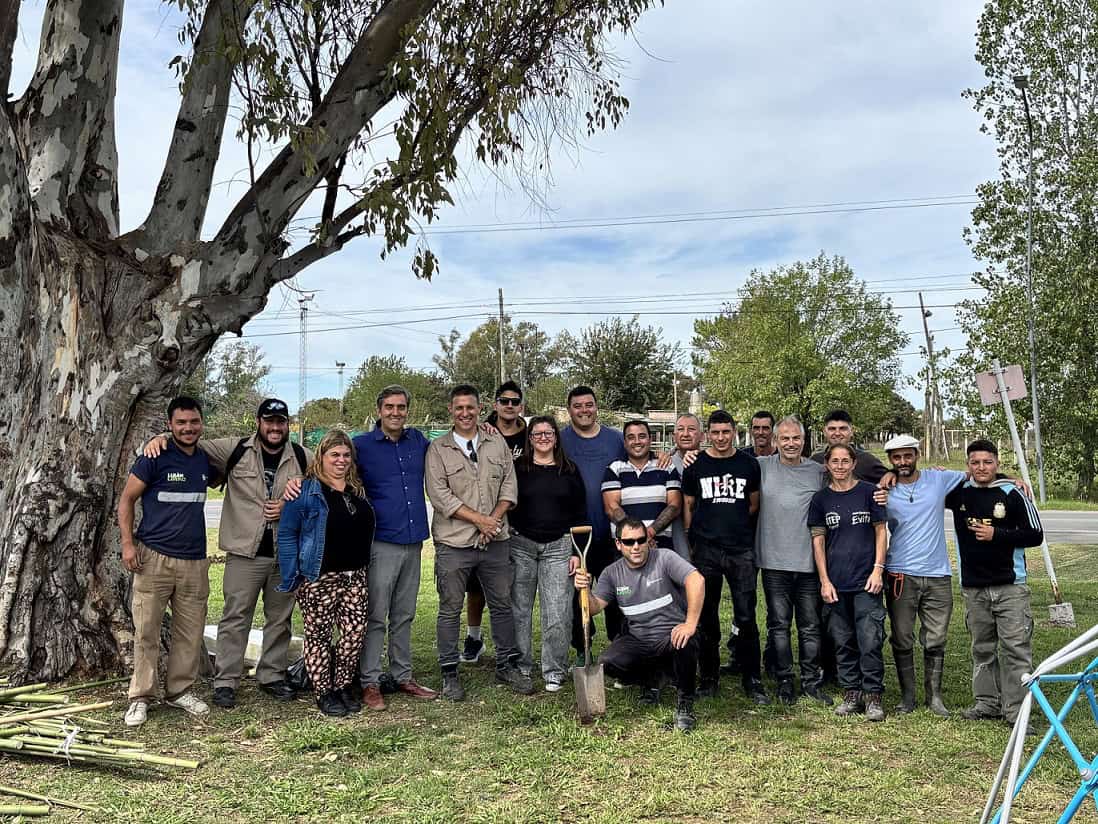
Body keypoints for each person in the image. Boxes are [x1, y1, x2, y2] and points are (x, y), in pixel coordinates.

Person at [143, 397, 310, 710]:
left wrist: (291, 506)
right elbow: (189, 440)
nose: (275, 428)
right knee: (235, 617)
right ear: (258, 423)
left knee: (280, 618)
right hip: (244, 552)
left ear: (288, 424)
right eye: (269, 421)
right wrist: (162, 437)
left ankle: (271, 675)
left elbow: (328, 482)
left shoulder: (303, 456)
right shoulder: (235, 449)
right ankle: (226, 681)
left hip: (286, 553)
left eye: (280, 422)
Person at [426, 384, 532, 700]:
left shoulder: (495, 442)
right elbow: (440, 496)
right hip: (454, 543)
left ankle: (506, 664)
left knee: (502, 604)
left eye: (470, 407)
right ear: (451, 410)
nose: (465, 413)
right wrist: (479, 520)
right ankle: (449, 671)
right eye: (459, 408)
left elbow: (509, 486)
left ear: (478, 407)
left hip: (496, 540)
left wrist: (493, 520)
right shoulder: (438, 449)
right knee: (450, 608)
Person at [117, 396, 212, 727]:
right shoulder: (154, 457)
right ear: (170, 425)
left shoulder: (205, 460)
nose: (188, 428)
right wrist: (128, 545)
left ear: (202, 423)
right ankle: (140, 697)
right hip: (152, 558)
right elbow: (127, 500)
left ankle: (179, 691)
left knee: (190, 630)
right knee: (147, 630)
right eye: (181, 422)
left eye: (194, 422)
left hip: (195, 561)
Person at [946, 440, 1043, 727]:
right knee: (982, 648)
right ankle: (987, 702)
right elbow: (924, 486)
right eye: (975, 462)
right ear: (968, 465)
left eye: (987, 462)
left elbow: (1035, 534)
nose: (981, 468)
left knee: (1015, 648)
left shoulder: (1012, 493)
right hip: (974, 586)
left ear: (997, 463)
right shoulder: (959, 493)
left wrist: (996, 534)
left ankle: (1017, 712)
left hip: (1010, 586)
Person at [278, 430, 375, 717]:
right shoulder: (305, 491)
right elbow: (286, 535)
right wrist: (292, 577)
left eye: (346, 455)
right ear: (321, 457)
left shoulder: (356, 490)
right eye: (334, 454)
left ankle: (343, 685)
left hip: (355, 575)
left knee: (354, 633)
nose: (341, 460)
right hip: (319, 577)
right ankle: (324, 692)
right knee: (318, 635)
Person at [575, 518, 705, 732]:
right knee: (609, 662)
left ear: (647, 540)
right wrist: (585, 590)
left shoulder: (665, 557)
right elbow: (594, 607)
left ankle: (685, 703)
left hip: (671, 635)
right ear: (619, 544)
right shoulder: (611, 573)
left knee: (686, 642)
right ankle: (652, 680)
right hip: (639, 638)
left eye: (640, 540)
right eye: (628, 542)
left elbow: (696, 580)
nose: (635, 546)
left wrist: (690, 624)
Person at [352, 385, 438, 709]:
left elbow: (449, 450)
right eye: (389, 407)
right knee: (376, 615)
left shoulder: (418, 442)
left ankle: (403, 675)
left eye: (401, 407)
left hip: (413, 541)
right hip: (380, 542)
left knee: (404, 614)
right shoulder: (361, 446)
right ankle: (370, 681)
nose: (395, 413)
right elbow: (331, 464)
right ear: (379, 410)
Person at [681, 410, 767, 704]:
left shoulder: (748, 464)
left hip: (740, 549)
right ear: (707, 434)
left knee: (746, 616)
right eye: (715, 432)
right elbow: (689, 505)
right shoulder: (696, 465)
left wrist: (734, 524)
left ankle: (752, 679)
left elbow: (753, 504)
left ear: (734, 432)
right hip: (706, 550)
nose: (720, 438)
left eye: (725, 432)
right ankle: (709, 677)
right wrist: (696, 539)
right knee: (707, 617)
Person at [879, 434, 966, 717]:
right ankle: (907, 697)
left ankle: (935, 697)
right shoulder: (884, 491)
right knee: (902, 636)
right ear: (890, 460)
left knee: (936, 637)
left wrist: (1011, 479)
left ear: (917, 454)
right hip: (901, 573)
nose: (903, 462)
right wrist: (883, 480)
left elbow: (978, 472)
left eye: (908, 455)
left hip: (938, 573)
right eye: (896, 457)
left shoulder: (938, 479)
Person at [808, 443, 889, 721]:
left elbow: (881, 532)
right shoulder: (820, 500)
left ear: (854, 463)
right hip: (836, 584)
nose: (840, 466)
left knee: (870, 640)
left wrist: (878, 570)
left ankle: (873, 697)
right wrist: (824, 581)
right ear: (827, 465)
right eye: (835, 461)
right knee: (843, 642)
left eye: (845, 461)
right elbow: (818, 542)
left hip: (867, 582)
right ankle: (851, 693)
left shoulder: (870, 493)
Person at [755, 416, 831, 705]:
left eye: (795, 438)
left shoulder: (817, 472)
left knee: (810, 626)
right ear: (775, 441)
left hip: (810, 563)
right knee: (779, 625)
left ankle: (811, 681)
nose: (790, 443)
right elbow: (723, 458)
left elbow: (847, 479)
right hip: (774, 562)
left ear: (804, 441)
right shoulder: (761, 467)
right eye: (784, 438)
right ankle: (785, 679)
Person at [509, 416, 588, 691]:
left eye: (548, 432)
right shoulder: (518, 467)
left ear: (556, 437)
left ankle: (554, 669)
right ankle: (521, 666)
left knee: (557, 611)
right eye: (537, 433)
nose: (543, 437)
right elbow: (506, 503)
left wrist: (577, 551)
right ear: (529, 439)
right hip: (521, 545)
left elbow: (580, 512)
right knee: (520, 610)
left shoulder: (569, 469)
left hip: (560, 547)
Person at [559, 385, 627, 662]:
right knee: (578, 596)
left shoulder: (615, 439)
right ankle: (581, 648)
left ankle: (619, 648)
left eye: (589, 405)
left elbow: (638, 458)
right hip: (575, 535)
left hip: (611, 533)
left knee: (615, 594)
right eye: (578, 406)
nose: (584, 410)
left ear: (596, 407)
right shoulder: (560, 440)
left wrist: (662, 455)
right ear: (569, 410)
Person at [461, 381, 526, 667]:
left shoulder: (530, 436)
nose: (509, 405)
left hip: (522, 520)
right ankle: (474, 637)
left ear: (521, 406)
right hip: (484, 521)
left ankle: (510, 646)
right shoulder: (482, 431)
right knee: (476, 587)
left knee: (510, 590)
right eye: (504, 401)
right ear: (495, 405)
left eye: (514, 401)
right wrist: (486, 521)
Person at [602, 419, 682, 551]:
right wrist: (638, 536)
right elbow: (612, 508)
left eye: (642, 436)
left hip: (661, 547)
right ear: (625, 442)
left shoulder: (666, 466)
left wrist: (650, 532)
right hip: (625, 549)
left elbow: (675, 506)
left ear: (650, 439)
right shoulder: (614, 469)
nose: (637, 441)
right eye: (631, 437)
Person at [809, 409, 888, 483]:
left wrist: (893, 473)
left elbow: (891, 480)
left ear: (852, 431)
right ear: (824, 432)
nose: (837, 433)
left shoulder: (867, 461)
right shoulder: (815, 461)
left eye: (843, 428)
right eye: (832, 429)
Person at [668, 413, 703, 561]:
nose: (686, 434)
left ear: (702, 435)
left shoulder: (710, 463)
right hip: (673, 532)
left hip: (703, 534)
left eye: (691, 429)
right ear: (674, 436)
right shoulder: (664, 464)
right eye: (681, 429)